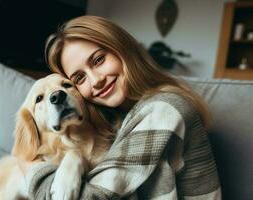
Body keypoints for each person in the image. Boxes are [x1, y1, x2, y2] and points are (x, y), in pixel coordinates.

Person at [20, 15, 221, 199]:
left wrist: (28, 167)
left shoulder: (164, 110)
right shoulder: (118, 117)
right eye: (79, 78)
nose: (96, 80)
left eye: (98, 60)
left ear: (121, 48)